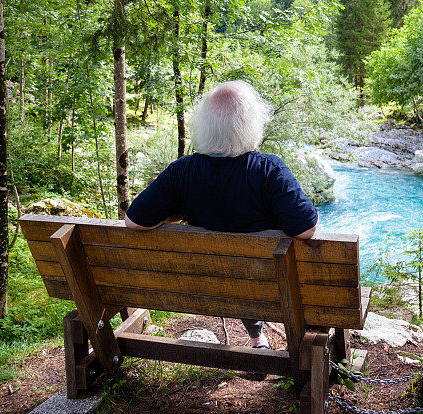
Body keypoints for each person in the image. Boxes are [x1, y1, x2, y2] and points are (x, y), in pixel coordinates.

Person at [124, 80, 318, 350]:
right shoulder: (269, 169)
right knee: (267, 270)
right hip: (272, 289)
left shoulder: (182, 171)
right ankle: (291, 343)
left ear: (203, 125)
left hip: (211, 288)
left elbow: (133, 221)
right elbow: (305, 230)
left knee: (238, 272)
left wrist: (174, 214)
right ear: (251, 125)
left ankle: (257, 338)